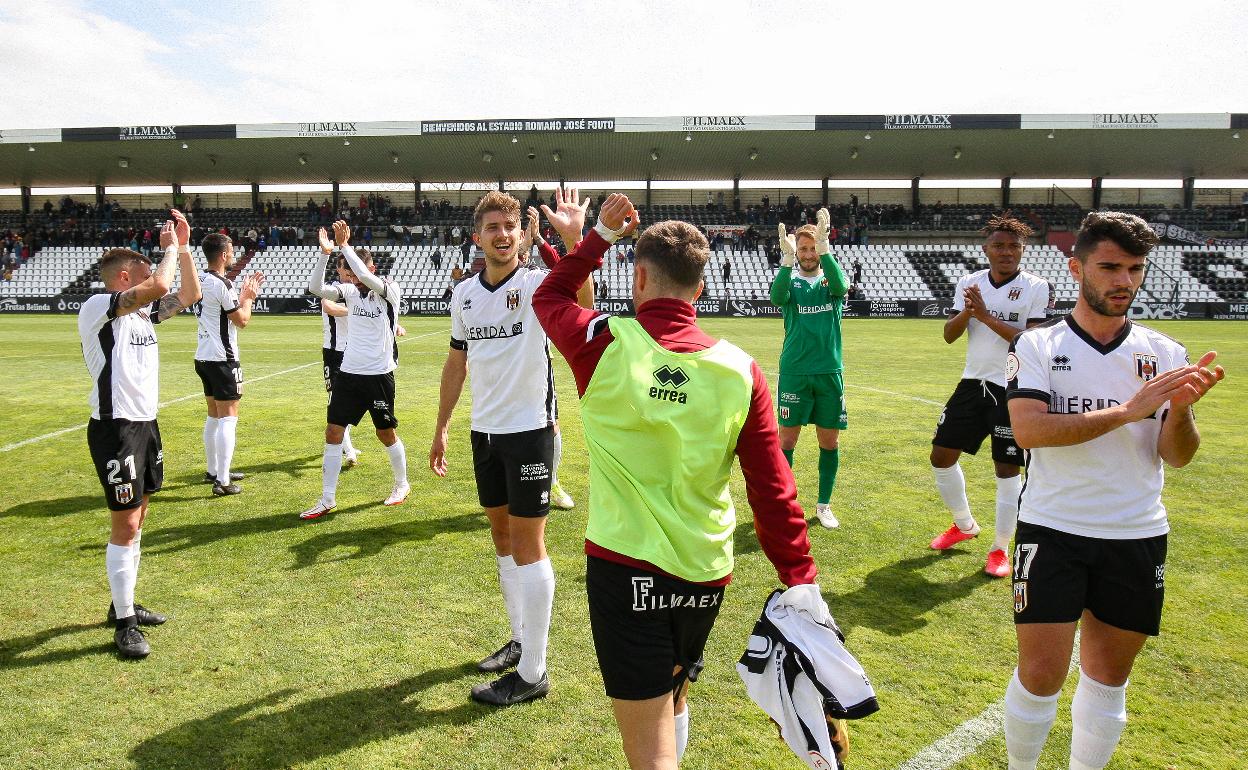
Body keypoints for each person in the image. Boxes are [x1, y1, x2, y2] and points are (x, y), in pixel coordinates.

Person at [533, 193, 827, 770]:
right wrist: (800, 578)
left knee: (649, 751)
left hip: (625, 567)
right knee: (674, 696)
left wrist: (595, 239)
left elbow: (549, 294)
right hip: (704, 570)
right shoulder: (740, 368)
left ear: (639, 276)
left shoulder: (605, 343)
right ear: (699, 287)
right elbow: (773, 488)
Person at [1002, 211, 1223, 770]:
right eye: (1109, 267)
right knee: (1041, 675)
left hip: (1135, 533)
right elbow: (1030, 430)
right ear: (1076, 267)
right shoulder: (1036, 345)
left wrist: (1181, 413)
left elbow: (1177, 455)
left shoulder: (1165, 353)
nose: (1123, 280)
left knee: (1107, 679)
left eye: (1134, 269)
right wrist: (1128, 410)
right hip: (1053, 528)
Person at [429, 191, 592, 706]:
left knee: (528, 544)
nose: (503, 235)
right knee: (502, 539)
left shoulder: (540, 284)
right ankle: (521, 640)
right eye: (492, 227)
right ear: (478, 237)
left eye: (510, 227)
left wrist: (573, 240)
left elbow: (585, 307)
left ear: (522, 235)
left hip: (530, 431)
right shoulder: (464, 297)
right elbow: (458, 362)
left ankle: (534, 671)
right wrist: (442, 426)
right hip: (486, 432)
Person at [79, 211, 201, 658]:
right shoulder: (98, 306)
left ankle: (122, 604)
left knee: (140, 516)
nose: (155, 278)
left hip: (146, 423)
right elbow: (163, 286)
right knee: (126, 522)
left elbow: (189, 292)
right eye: (145, 273)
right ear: (126, 278)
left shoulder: (142, 316)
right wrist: (168, 249)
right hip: (115, 429)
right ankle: (125, 624)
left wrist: (184, 248)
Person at [928, 214, 1050, 577]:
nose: (1006, 252)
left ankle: (999, 548)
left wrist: (984, 314)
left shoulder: (1036, 287)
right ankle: (964, 525)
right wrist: (968, 311)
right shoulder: (969, 282)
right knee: (941, 456)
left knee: (1006, 469)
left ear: (1022, 250)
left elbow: (1029, 342)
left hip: (1013, 389)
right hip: (972, 383)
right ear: (986, 250)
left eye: (1014, 246)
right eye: (999, 245)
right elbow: (949, 335)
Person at [300, 222, 409, 519]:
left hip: (378, 376)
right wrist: (325, 254)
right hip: (349, 374)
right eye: (346, 269)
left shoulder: (389, 290)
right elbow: (315, 289)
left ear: (371, 266)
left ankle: (402, 484)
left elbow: (363, 275)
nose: (351, 275)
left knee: (385, 433)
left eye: (355, 268)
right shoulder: (349, 291)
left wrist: (344, 245)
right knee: (333, 431)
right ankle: (327, 498)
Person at [769, 208, 848, 529]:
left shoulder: (831, 277)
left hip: (829, 371)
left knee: (829, 442)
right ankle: (787, 503)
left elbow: (842, 288)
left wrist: (826, 247)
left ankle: (824, 505)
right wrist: (786, 263)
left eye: (813, 246)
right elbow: (776, 298)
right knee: (786, 440)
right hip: (795, 371)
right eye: (803, 248)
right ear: (795, 251)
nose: (808, 253)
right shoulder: (790, 279)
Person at [193, 232, 265, 496]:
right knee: (228, 418)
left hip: (203, 356)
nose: (234, 252)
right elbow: (242, 320)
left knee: (214, 414)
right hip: (223, 359)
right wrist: (249, 296)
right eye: (232, 248)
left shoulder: (200, 279)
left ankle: (214, 470)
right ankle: (222, 481)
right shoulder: (222, 284)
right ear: (223, 255)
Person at [316, 230, 361, 468]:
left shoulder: (356, 290)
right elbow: (329, 307)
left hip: (352, 352)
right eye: (347, 269)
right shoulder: (333, 288)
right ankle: (349, 450)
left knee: (351, 400)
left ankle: (346, 442)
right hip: (333, 353)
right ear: (339, 270)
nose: (351, 272)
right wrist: (357, 311)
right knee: (335, 401)